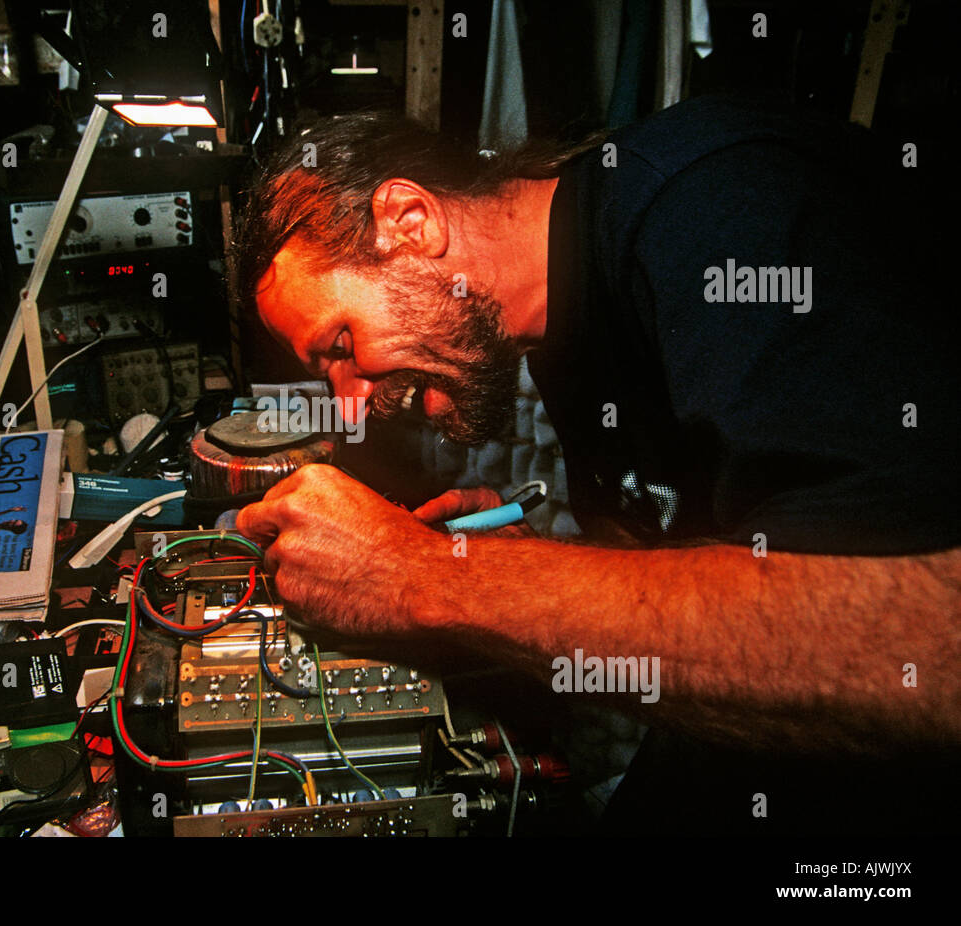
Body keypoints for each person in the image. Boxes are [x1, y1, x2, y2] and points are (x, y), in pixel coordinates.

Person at [232, 95, 960, 833]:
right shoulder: (555, 322)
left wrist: (424, 577)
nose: (349, 407)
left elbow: (926, 641)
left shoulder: (715, 203)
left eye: (342, 348)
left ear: (410, 223)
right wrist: (521, 574)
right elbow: (702, 569)